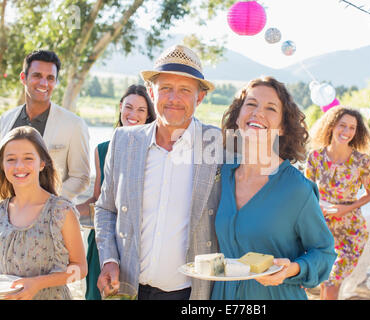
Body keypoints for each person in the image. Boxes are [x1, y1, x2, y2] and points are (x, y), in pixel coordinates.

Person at [94, 44, 222, 300]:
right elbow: (105, 208)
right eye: (165, 88)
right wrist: (109, 258)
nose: (174, 98)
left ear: (199, 97)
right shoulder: (123, 140)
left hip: (189, 293)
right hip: (129, 289)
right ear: (152, 92)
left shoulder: (217, 145)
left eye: (185, 90)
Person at [211, 76, 336, 300]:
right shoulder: (223, 175)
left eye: (271, 108)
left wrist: (292, 269)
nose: (258, 112)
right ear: (238, 117)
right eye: (251, 104)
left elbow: (324, 253)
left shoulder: (297, 190)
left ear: (282, 128)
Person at [76, 84, 156, 300]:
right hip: (104, 240)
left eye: (141, 110)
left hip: (135, 241)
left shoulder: (155, 152)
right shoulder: (102, 149)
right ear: (121, 107)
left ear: (148, 115)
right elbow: (98, 199)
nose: (133, 115)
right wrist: (67, 212)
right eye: (129, 107)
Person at [0, 126, 87, 300]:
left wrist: (38, 283)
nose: (19, 166)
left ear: (42, 163)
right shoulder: (1, 211)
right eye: (11, 159)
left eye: (28, 158)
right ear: (2, 165)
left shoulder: (61, 211)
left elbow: (80, 269)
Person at [305, 106, 370, 300]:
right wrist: (316, 206)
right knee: (323, 281)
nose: (346, 132)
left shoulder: (362, 161)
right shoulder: (315, 157)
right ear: (331, 125)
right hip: (320, 226)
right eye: (342, 125)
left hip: (350, 230)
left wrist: (346, 208)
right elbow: (307, 191)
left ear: (357, 131)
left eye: (352, 128)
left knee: (331, 282)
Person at [0, 50, 90, 201]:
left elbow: (81, 178)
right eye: (37, 76)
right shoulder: (5, 120)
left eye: (50, 78)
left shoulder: (74, 125)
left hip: (52, 217)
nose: (44, 83)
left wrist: (47, 202)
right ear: (23, 78)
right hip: (7, 215)